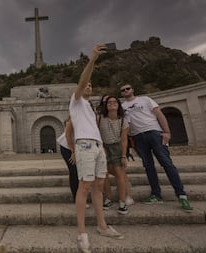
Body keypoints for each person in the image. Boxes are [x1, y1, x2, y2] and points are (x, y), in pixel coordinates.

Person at [70, 44, 124, 253]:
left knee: (99, 187)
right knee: (85, 186)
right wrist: (92, 60)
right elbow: (83, 80)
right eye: (86, 84)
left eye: (91, 85)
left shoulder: (90, 108)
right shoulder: (75, 102)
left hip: (98, 146)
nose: (88, 85)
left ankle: (102, 226)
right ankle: (82, 233)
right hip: (84, 145)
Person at [120, 83, 193, 212]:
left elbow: (159, 114)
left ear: (133, 89)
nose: (126, 91)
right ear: (121, 93)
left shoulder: (145, 99)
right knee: (148, 165)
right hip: (138, 137)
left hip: (154, 132)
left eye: (128, 88)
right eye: (123, 90)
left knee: (166, 162)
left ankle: (181, 194)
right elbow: (126, 125)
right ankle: (156, 194)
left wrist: (167, 132)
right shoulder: (122, 107)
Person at [98, 95, 132, 214]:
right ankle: (108, 198)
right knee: (105, 173)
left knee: (119, 173)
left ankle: (122, 202)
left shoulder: (123, 121)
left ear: (118, 105)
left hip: (117, 147)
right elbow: (97, 134)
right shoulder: (100, 118)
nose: (112, 104)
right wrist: (101, 147)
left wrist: (123, 155)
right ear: (106, 106)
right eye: (109, 102)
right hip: (104, 147)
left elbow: (124, 140)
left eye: (114, 102)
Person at [56, 116, 78, 202]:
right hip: (67, 147)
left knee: (78, 172)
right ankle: (76, 197)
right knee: (74, 171)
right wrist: (73, 151)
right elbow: (68, 136)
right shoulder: (72, 117)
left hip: (79, 147)